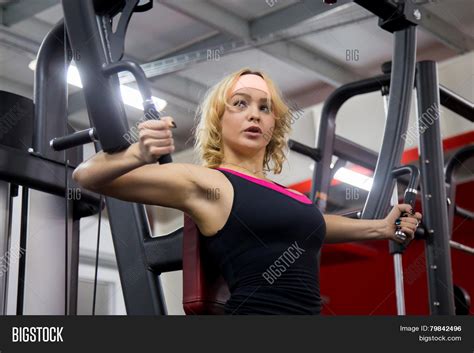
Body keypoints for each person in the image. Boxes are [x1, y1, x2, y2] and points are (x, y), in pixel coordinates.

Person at [73, 68, 422, 315]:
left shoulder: (289, 197)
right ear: (218, 120)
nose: (254, 114)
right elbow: (87, 176)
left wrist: (380, 227)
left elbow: (316, 225)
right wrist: (138, 153)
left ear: (273, 125)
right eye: (240, 104)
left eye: (264, 107)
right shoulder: (210, 184)